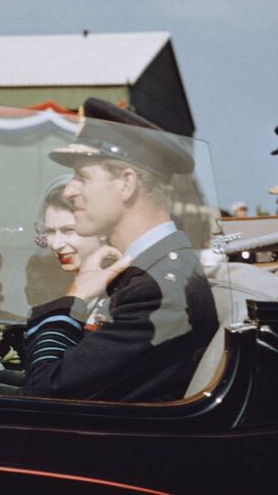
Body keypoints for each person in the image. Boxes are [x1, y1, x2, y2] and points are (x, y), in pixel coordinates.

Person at [24, 98, 218, 402]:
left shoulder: (157, 288)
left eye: (83, 177)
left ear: (127, 183)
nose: (70, 190)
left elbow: (45, 391)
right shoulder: (151, 270)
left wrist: (74, 298)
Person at [32, 177, 107, 329]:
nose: (57, 244)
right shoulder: (53, 287)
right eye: (50, 231)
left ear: (101, 230)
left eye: (69, 230)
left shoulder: (124, 293)